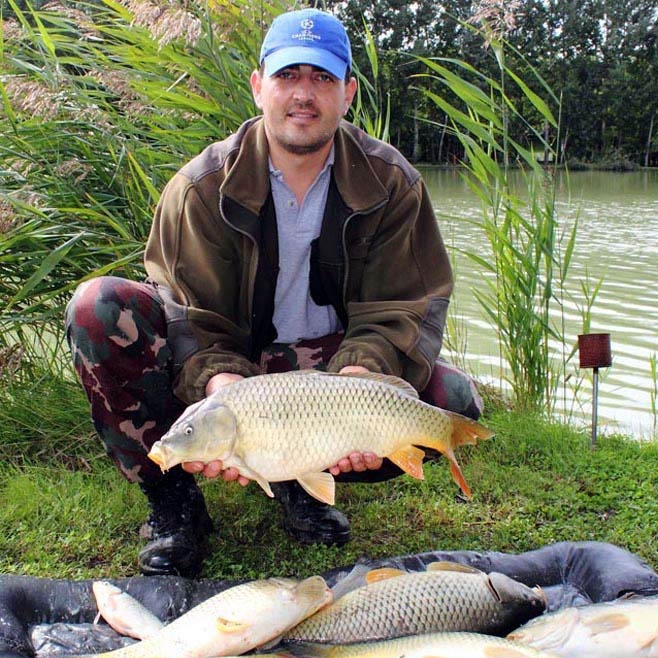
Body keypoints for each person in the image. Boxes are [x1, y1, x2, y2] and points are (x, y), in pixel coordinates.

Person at [65, 8, 482, 578]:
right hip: (233, 371)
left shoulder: (391, 184)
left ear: (348, 93)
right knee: (98, 307)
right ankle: (174, 507)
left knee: (451, 400)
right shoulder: (200, 187)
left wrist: (358, 388)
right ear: (259, 86)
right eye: (288, 76)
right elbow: (192, 319)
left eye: (322, 78)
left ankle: (304, 486)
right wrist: (226, 399)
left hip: (331, 370)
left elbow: (402, 309)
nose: (303, 95)